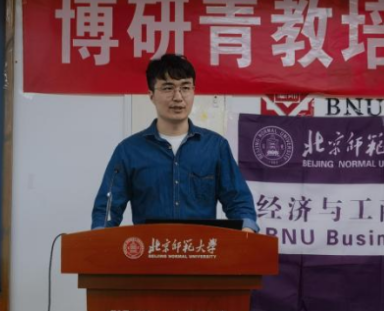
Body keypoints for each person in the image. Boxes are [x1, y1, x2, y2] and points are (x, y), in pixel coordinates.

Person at [90, 54, 259, 233]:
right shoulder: (129, 150)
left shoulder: (215, 147)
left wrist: (247, 230)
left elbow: (238, 201)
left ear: (193, 91)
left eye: (185, 87)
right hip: (150, 249)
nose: (178, 97)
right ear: (151, 95)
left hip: (201, 248)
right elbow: (108, 207)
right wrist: (100, 237)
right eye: (168, 88)